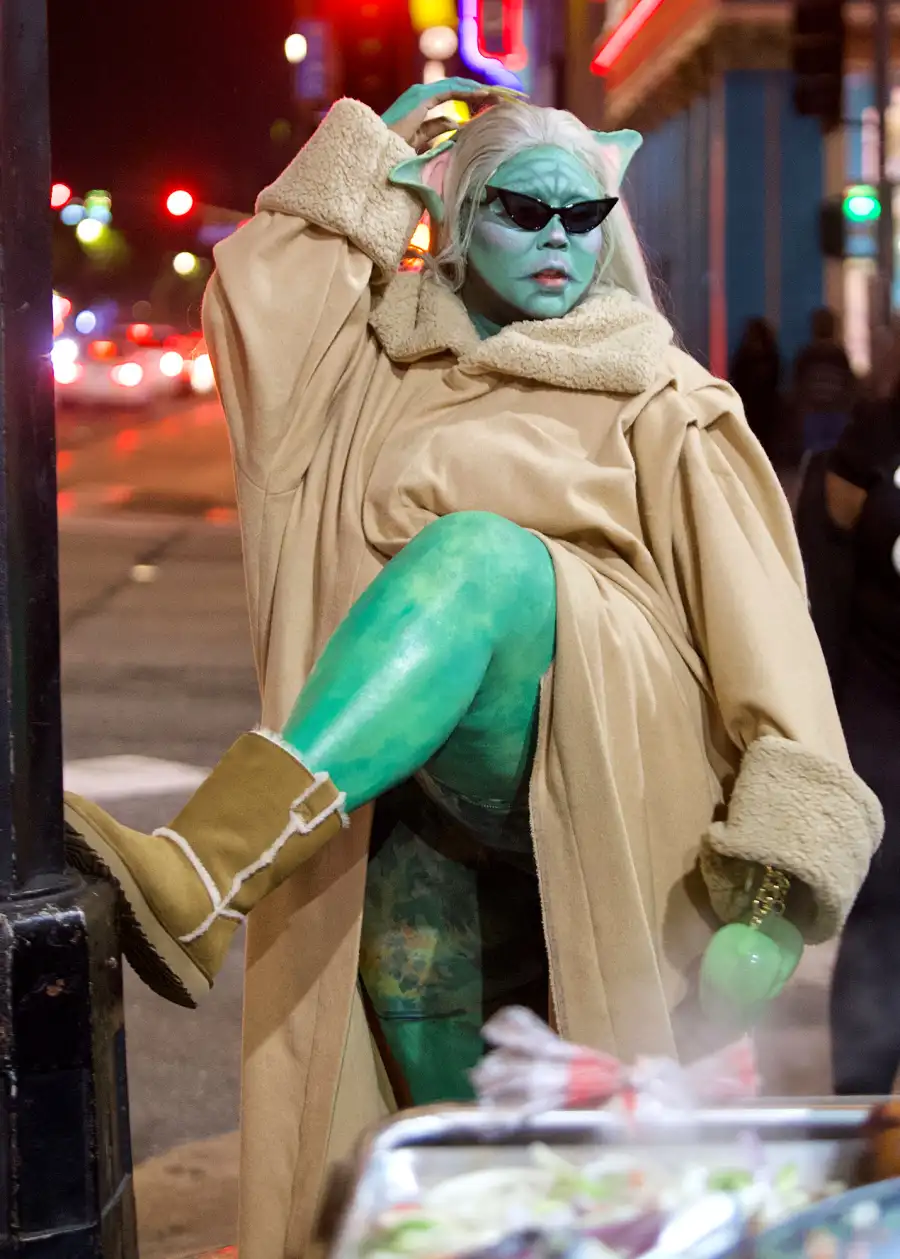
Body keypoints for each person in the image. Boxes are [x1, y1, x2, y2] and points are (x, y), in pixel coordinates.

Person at [61, 82, 882, 1258]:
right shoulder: (365, 379)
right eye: (521, 210)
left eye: (583, 213)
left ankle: (206, 864)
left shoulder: (663, 398)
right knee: (452, 1141)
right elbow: (259, 297)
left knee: (480, 559)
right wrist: (371, 145)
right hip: (412, 811)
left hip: (606, 747)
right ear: (452, 216)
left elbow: (768, 643)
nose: (559, 240)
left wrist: (771, 895)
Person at [797, 367, 900, 1094]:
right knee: (882, 921)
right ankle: (864, 1115)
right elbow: (821, 598)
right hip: (880, 715)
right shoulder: (866, 449)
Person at [792, 307, 858, 457]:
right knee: (820, 455)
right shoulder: (812, 354)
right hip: (820, 412)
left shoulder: (833, 355)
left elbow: (799, 384)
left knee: (825, 455)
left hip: (829, 412)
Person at [729, 317, 783, 461]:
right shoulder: (769, 355)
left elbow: (735, 378)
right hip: (761, 406)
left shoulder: (744, 356)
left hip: (756, 406)